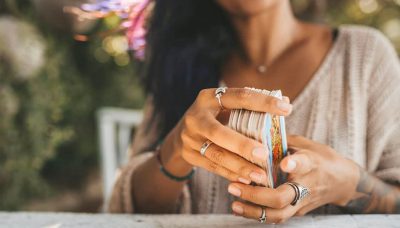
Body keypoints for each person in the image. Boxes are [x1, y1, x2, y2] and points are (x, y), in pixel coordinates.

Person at [109, 0, 400, 223]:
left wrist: (347, 184)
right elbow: (126, 209)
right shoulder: (178, 69)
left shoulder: (365, 56)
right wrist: (176, 149)